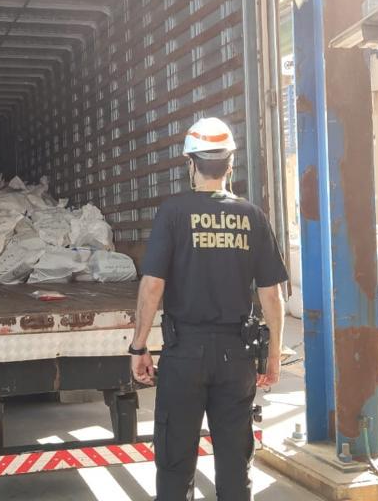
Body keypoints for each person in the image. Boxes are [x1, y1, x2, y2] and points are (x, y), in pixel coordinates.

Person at [127, 117, 288, 501]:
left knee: (174, 463)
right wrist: (273, 356)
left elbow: (152, 286)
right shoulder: (252, 216)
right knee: (235, 464)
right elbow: (271, 295)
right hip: (236, 357)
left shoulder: (173, 213)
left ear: (191, 164)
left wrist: (139, 346)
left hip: (184, 355)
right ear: (230, 165)